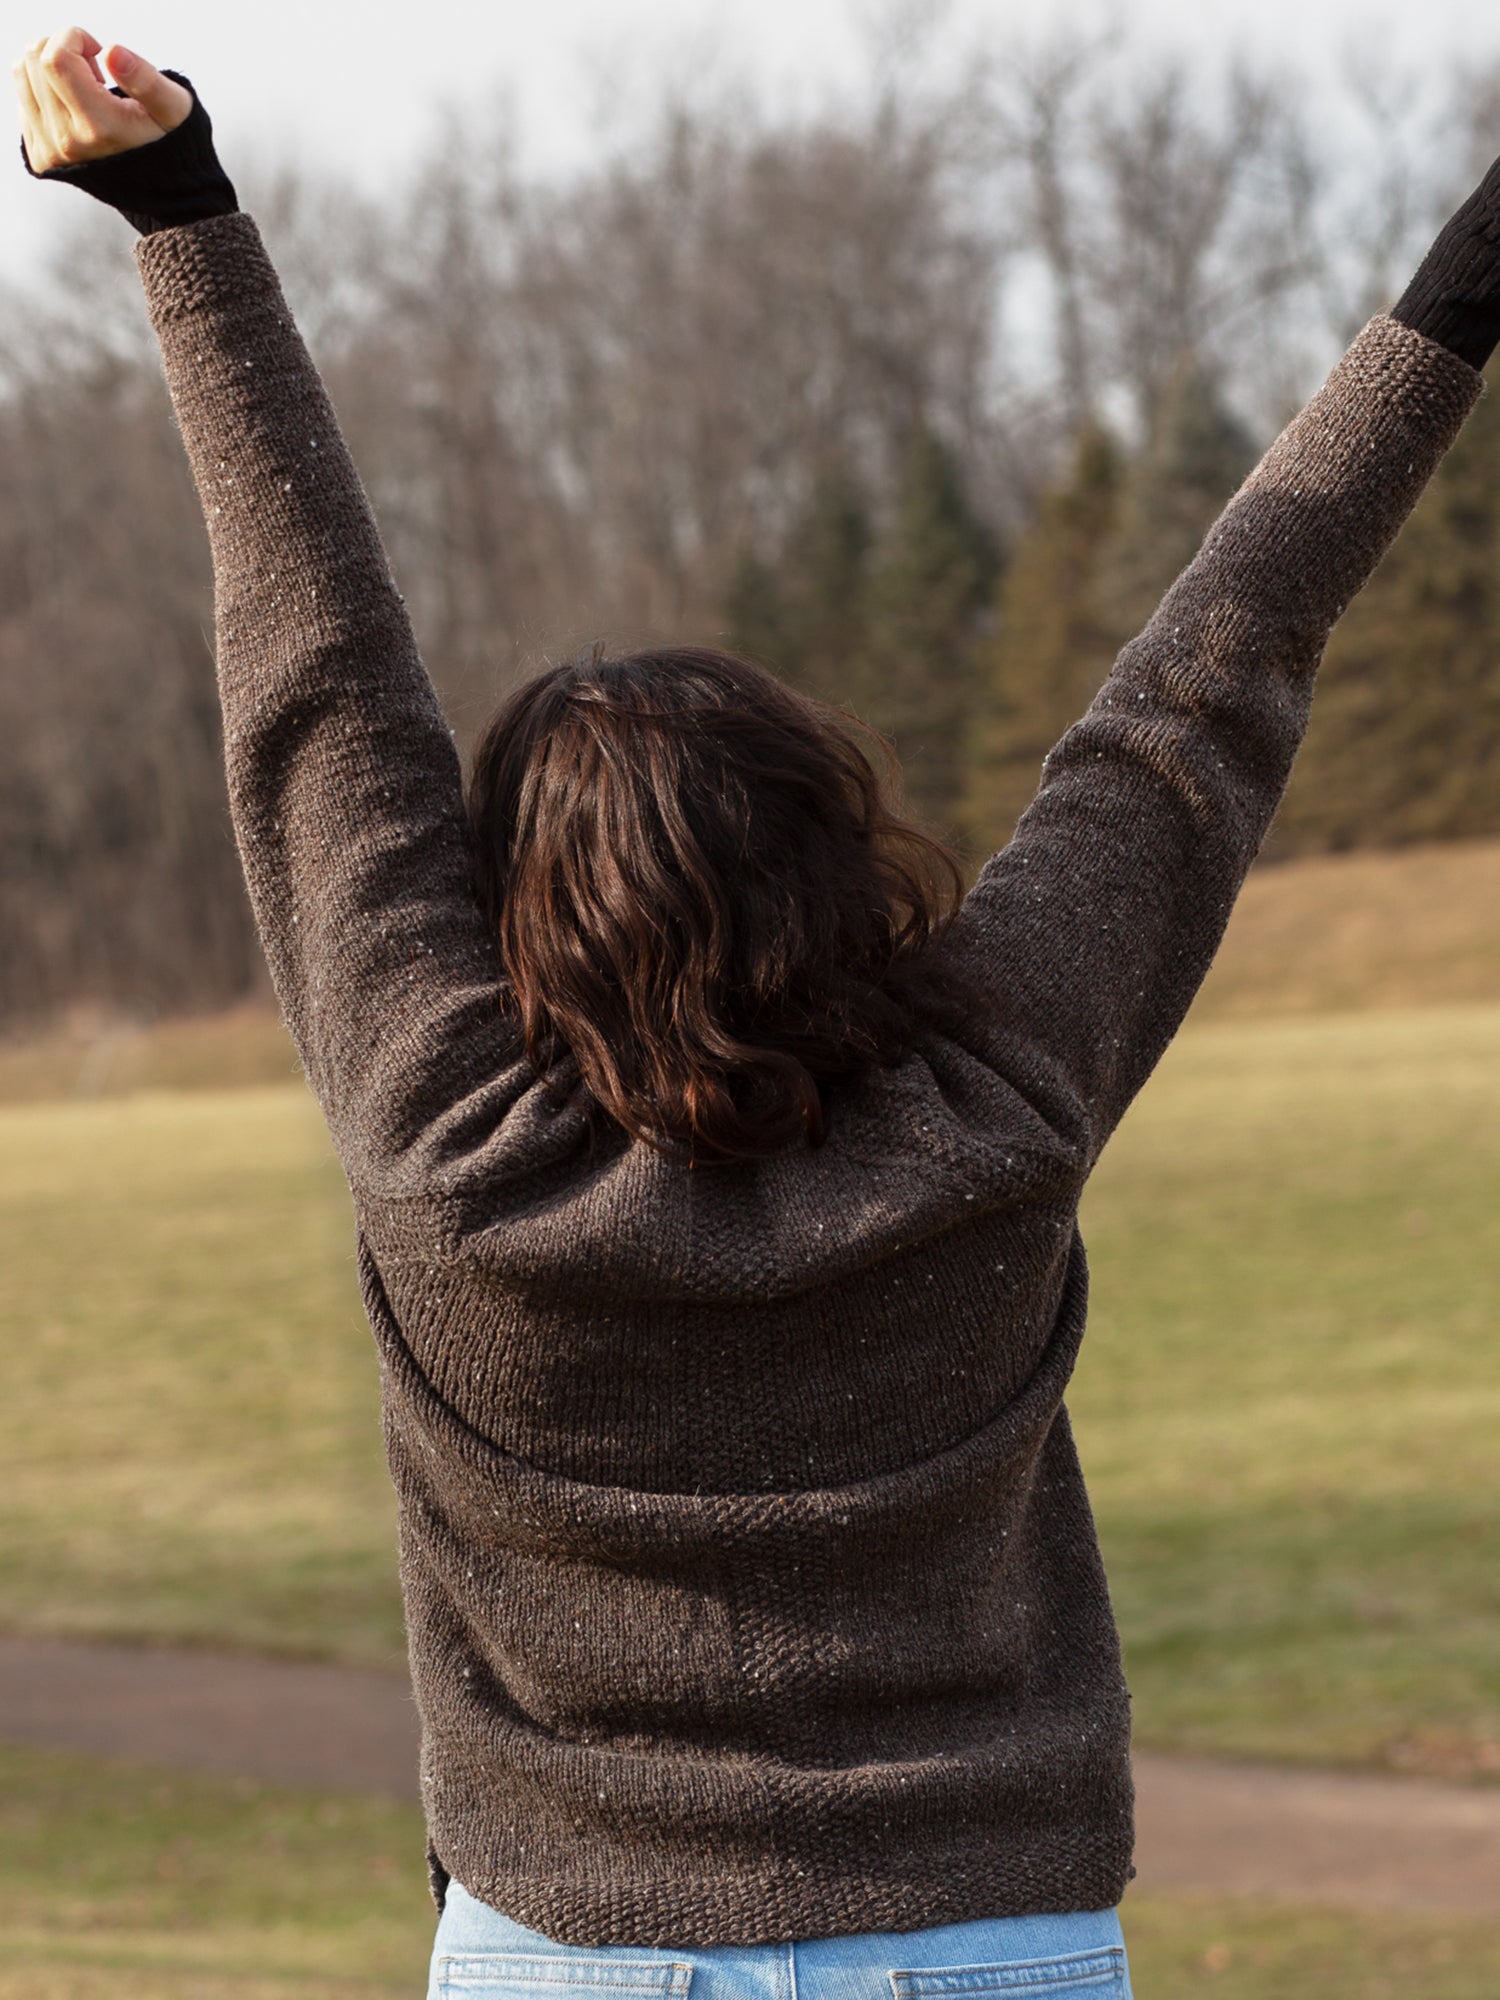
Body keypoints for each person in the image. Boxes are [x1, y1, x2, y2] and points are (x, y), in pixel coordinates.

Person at [13, 26, 1500, 1999]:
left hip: (568, 1959)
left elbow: (325, 689)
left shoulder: (455, 1160)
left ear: (511, 916)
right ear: (834, 854)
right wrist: (1465, 289)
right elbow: (1211, 683)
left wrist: (178, 217)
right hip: (988, 1944)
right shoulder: (992, 1104)